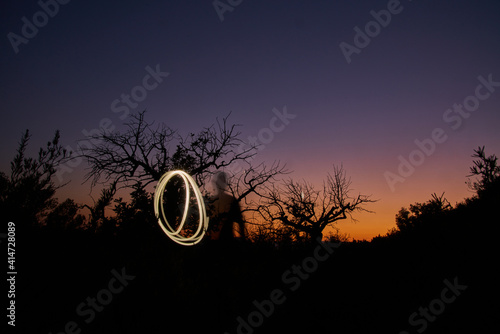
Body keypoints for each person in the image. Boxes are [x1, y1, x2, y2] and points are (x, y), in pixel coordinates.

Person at [208, 172, 246, 242]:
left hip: (226, 240)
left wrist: (243, 240)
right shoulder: (210, 201)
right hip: (211, 241)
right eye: (220, 182)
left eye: (222, 182)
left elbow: (240, 222)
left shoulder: (231, 200)